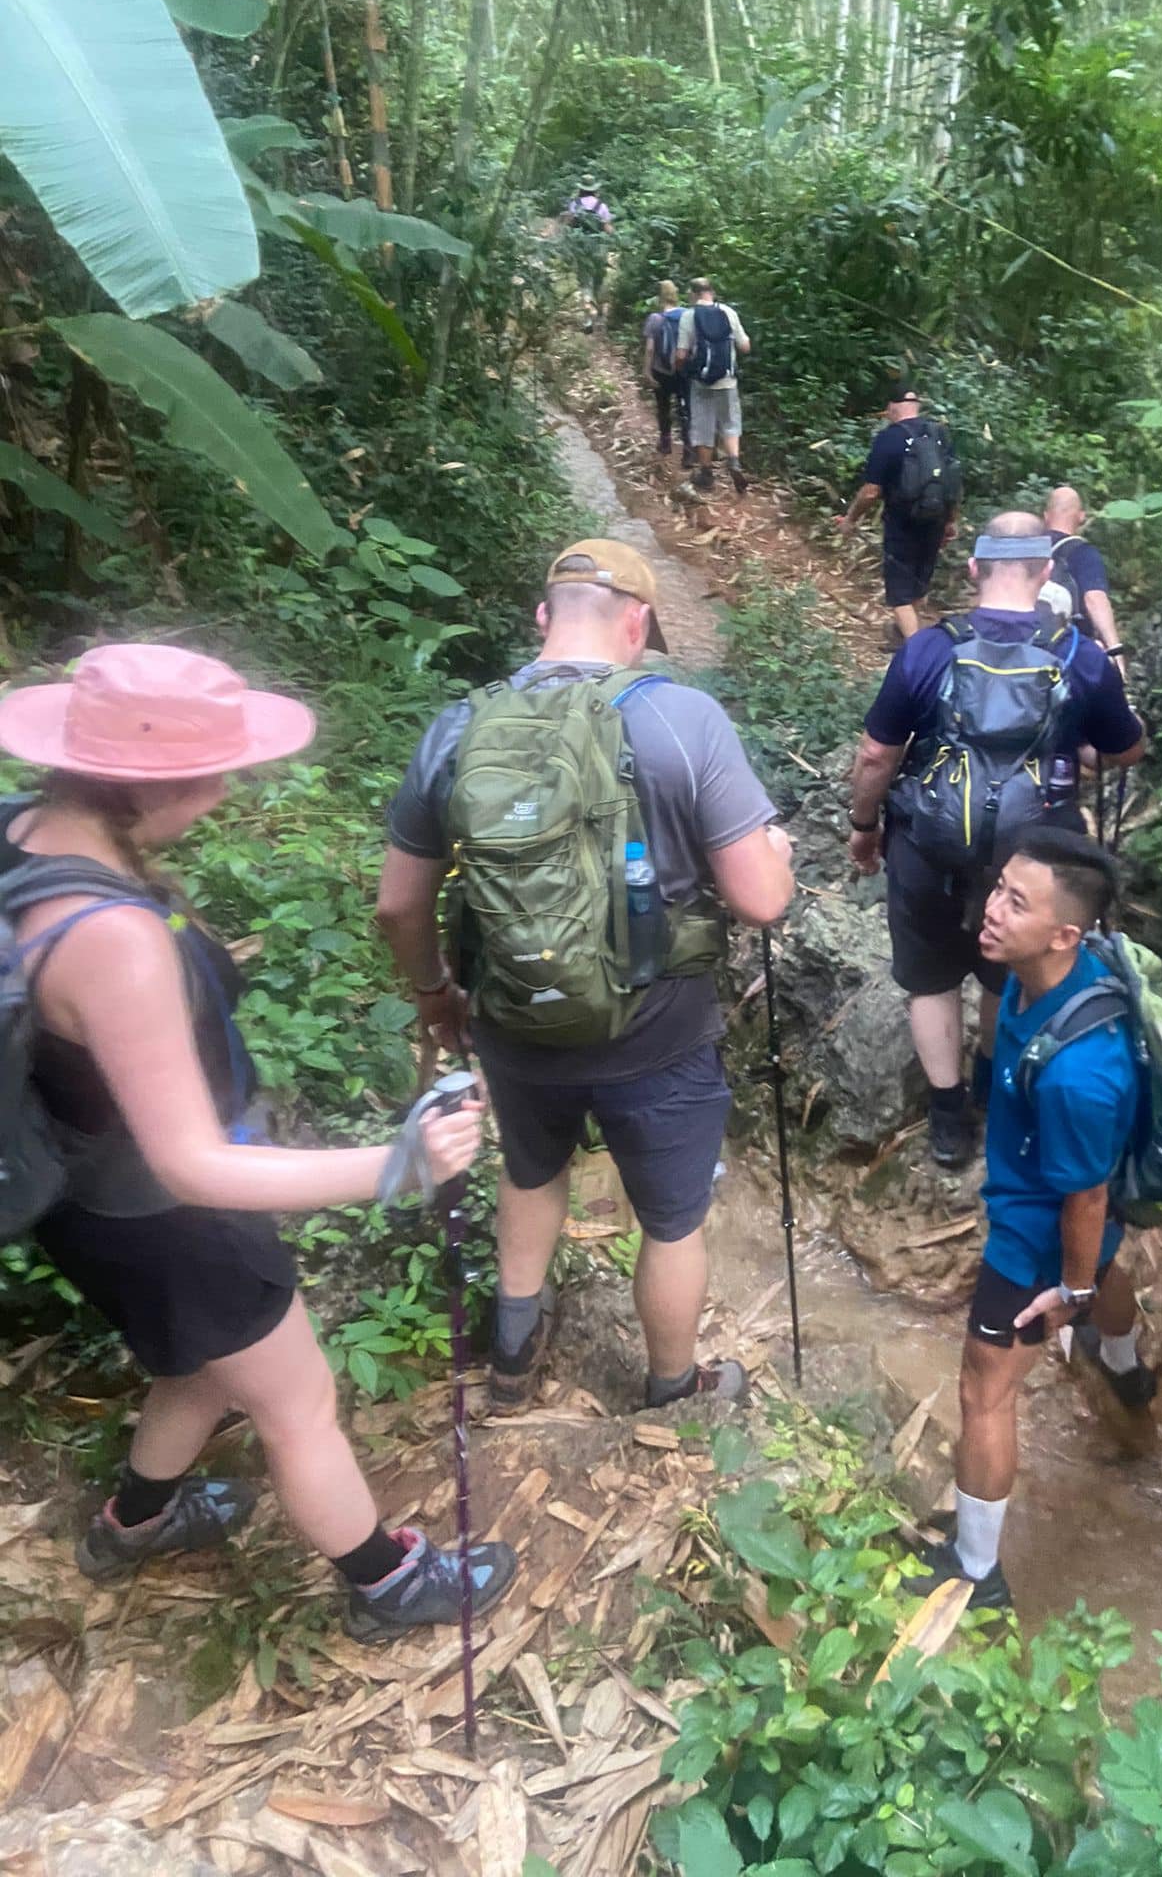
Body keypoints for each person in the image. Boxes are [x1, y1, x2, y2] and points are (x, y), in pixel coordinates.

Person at [0, 645, 515, 1640]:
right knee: (297, 1401)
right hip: (170, 1216)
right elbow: (190, 1162)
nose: (226, 792)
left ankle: (133, 1524)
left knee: (197, 1366)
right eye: (209, 775)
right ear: (145, 785)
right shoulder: (111, 939)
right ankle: (387, 1585)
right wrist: (397, 1166)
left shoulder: (23, 830)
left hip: (84, 1193)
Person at [377, 540, 795, 1414]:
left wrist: (435, 993)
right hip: (660, 1032)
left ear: (543, 617)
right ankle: (673, 1387)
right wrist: (778, 855)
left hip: (513, 1018)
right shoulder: (685, 719)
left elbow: (399, 906)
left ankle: (511, 1359)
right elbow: (761, 901)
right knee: (672, 1220)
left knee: (532, 1174)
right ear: (637, 623)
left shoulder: (459, 727)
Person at [846, 511, 1145, 1168]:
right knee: (1004, 965)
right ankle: (991, 1080)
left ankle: (946, 1119)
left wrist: (864, 828)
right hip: (1031, 856)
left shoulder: (929, 649)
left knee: (930, 978)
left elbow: (875, 755)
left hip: (927, 842)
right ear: (1046, 573)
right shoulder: (1079, 656)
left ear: (974, 567)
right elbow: (1125, 750)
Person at [911, 828, 1155, 1609]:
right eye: (998, 889)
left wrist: (1071, 1293)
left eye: (1017, 903)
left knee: (983, 1391)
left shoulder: (1079, 1076)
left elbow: (1084, 1201)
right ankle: (1128, 1371)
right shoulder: (1050, 976)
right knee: (1106, 1258)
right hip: (1081, 1201)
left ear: (1065, 934)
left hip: (1035, 1236)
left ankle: (977, 1571)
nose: (992, 910)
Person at [838, 383, 963, 642]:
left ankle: (916, 651)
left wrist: (850, 519)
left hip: (902, 524)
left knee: (899, 596)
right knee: (917, 585)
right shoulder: (939, 433)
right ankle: (901, 636)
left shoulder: (889, 438)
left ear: (892, 407)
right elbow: (952, 483)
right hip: (935, 520)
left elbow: (871, 491)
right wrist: (951, 521)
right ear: (917, 405)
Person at [674, 278, 751, 496]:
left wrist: (681, 369)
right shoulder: (728, 312)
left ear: (693, 294)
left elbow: (681, 354)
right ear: (712, 292)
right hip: (727, 380)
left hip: (701, 381)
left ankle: (706, 474)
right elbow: (745, 346)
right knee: (730, 422)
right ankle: (734, 461)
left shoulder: (688, 316)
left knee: (702, 425)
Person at [1041, 486, 1127, 680]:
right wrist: (1115, 649)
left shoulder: (1026, 547)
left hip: (1023, 645)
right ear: (1081, 516)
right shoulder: (1082, 552)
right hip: (1067, 650)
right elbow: (1094, 599)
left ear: (1046, 516)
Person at [642, 280, 691, 464]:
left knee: (663, 406)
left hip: (661, 370)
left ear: (659, 297)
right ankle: (688, 452)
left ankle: (665, 443)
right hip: (683, 369)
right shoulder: (687, 315)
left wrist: (646, 371)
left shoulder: (655, 319)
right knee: (685, 408)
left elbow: (650, 349)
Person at [563, 177, 613, 316]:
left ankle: (589, 312)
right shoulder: (601, 206)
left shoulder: (575, 204)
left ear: (581, 189)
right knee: (598, 277)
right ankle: (598, 306)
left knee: (585, 281)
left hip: (581, 247)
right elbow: (608, 229)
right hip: (599, 247)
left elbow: (568, 224)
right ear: (595, 189)